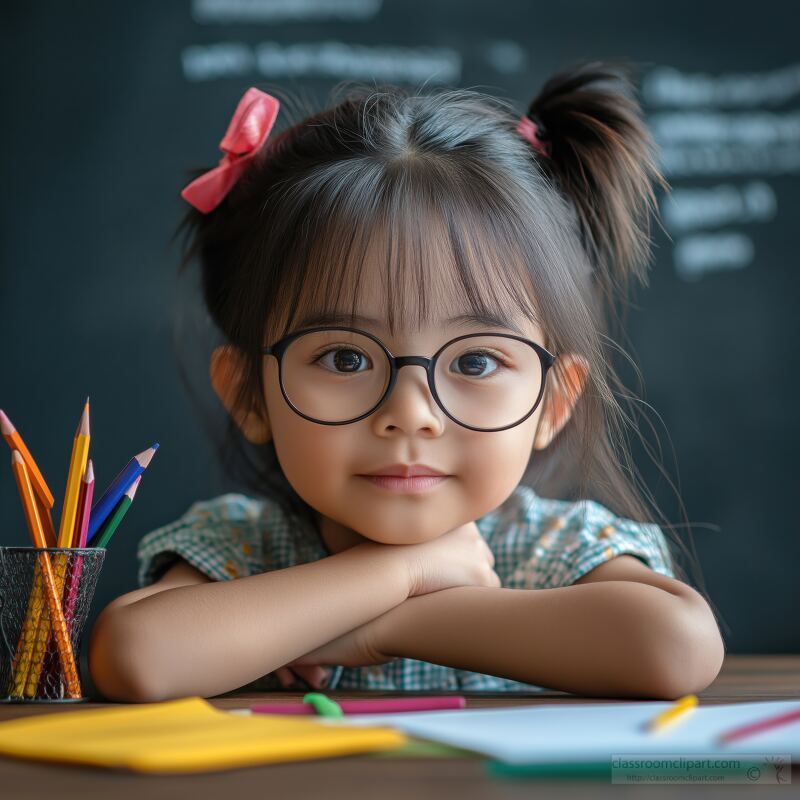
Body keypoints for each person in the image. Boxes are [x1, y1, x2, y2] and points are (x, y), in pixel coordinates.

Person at [89, 59, 725, 702]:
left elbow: (676, 647)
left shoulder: (554, 551)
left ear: (551, 402)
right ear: (248, 393)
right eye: (345, 359)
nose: (411, 414)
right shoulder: (240, 547)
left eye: (476, 361)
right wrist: (400, 570)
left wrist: (390, 627)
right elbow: (137, 657)